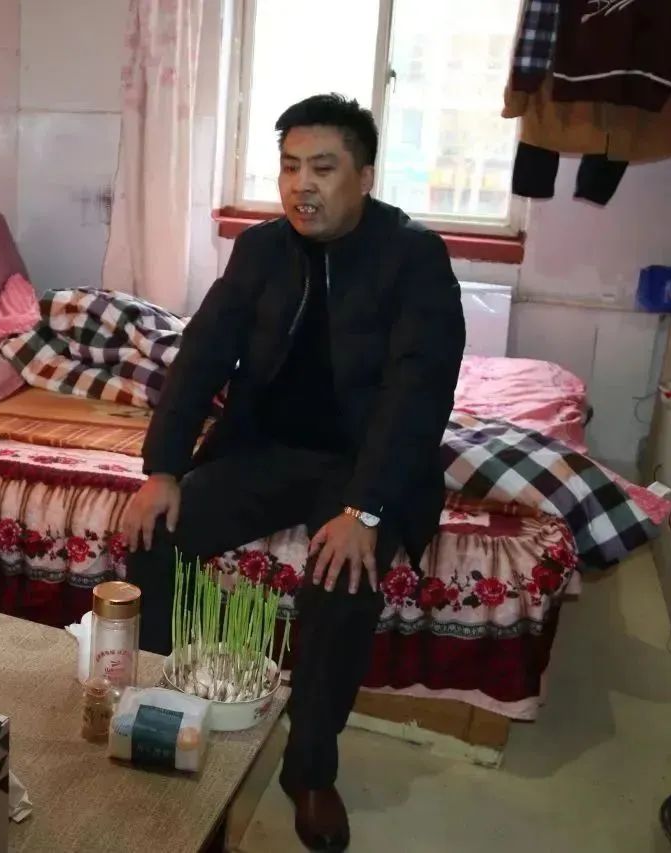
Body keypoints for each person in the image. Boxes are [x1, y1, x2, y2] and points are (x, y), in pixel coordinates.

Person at [123, 94, 464, 852]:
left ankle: (308, 770)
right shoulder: (261, 250)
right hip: (264, 450)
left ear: (364, 177)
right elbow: (201, 357)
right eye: (289, 167)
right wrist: (163, 468)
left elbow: (419, 390)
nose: (301, 185)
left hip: (361, 462)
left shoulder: (413, 256)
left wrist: (366, 508)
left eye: (323, 168)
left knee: (344, 578)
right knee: (154, 532)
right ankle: (165, 709)